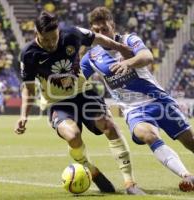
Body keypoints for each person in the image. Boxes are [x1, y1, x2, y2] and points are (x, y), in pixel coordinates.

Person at [80, 7, 194, 192]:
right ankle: (186, 176)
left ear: (113, 26)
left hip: (159, 101)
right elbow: (77, 79)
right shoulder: (91, 57)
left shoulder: (129, 40)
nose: (101, 34)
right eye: (96, 30)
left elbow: (147, 56)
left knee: (192, 142)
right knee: (148, 135)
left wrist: (128, 62)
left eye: (105, 29)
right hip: (134, 110)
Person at [14, 11, 145, 195]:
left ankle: (129, 182)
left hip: (84, 93)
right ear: (36, 33)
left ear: (59, 30)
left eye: (54, 38)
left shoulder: (72, 33)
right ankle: (90, 169)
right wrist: (23, 116)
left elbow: (98, 38)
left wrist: (120, 47)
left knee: (108, 126)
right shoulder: (29, 54)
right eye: (46, 40)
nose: (51, 43)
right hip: (57, 102)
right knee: (73, 135)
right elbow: (28, 88)